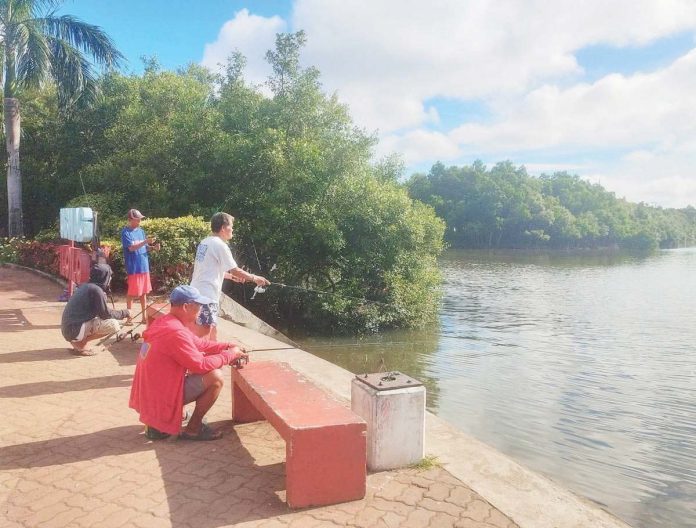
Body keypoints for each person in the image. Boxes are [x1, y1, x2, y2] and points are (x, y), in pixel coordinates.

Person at [129, 285, 247, 441]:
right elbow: (200, 365)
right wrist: (229, 355)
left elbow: (199, 344)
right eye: (197, 305)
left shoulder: (166, 322)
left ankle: (176, 415)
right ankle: (193, 429)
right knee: (216, 377)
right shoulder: (175, 332)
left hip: (150, 393)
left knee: (204, 369)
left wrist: (227, 346)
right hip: (160, 396)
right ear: (186, 306)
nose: (200, 309)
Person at [190, 212, 270, 340]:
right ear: (223, 228)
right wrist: (255, 278)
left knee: (212, 331)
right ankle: (200, 358)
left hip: (197, 292)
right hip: (207, 297)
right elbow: (235, 270)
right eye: (231, 226)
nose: (232, 229)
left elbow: (210, 268)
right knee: (203, 334)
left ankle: (213, 353)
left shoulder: (205, 242)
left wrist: (230, 277)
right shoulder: (220, 245)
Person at [61, 263, 130, 356]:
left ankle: (79, 342)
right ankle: (80, 344)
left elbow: (101, 312)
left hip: (68, 330)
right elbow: (105, 314)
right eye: (109, 276)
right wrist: (125, 313)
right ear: (104, 277)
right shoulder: (96, 290)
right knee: (114, 325)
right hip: (74, 330)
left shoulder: (86, 286)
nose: (110, 279)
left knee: (110, 321)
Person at [121, 208, 160, 325]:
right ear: (130, 220)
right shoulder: (125, 233)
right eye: (137, 220)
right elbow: (131, 248)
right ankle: (129, 318)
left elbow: (144, 247)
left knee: (143, 293)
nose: (139, 222)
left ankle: (144, 317)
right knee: (132, 293)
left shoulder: (141, 231)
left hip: (144, 266)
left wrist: (153, 248)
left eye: (139, 220)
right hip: (133, 267)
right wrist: (145, 242)